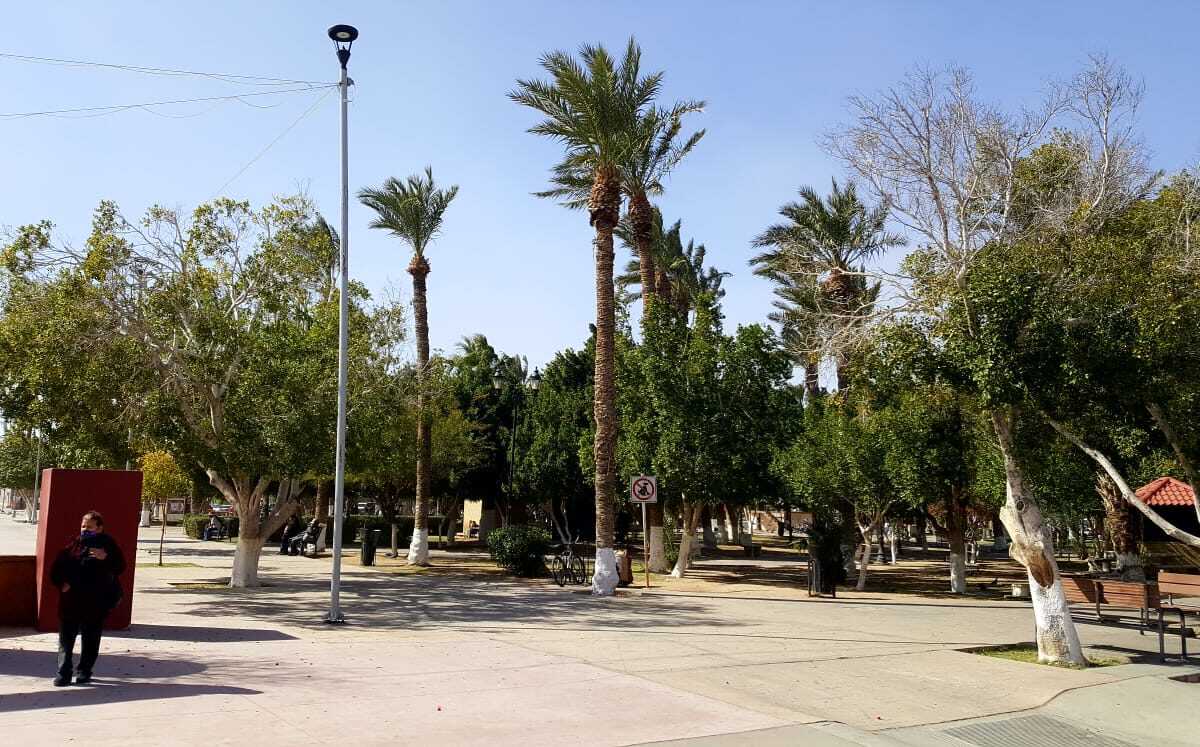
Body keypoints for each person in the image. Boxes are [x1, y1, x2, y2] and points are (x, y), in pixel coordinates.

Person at [49, 510, 126, 687]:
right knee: (66, 640)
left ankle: (84, 671)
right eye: (83, 526)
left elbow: (120, 567)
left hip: (95, 602)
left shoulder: (108, 545)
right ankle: (63, 673)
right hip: (70, 602)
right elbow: (56, 570)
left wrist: (105, 558)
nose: (85, 529)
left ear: (99, 528)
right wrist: (62, 584)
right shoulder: (73, 545)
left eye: (89, 527)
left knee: (90, 640)